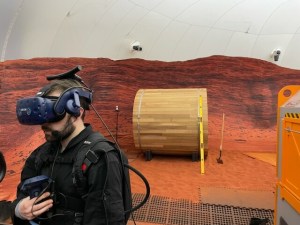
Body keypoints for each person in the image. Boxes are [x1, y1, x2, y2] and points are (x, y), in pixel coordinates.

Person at [11, 78, 129, 225]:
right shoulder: (40, 155)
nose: (44, 123)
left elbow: (106, 220)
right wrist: (19, 210)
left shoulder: (100, 157)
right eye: (42, 113)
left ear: (77, 112)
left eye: (52, 113)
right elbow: (21, 197)